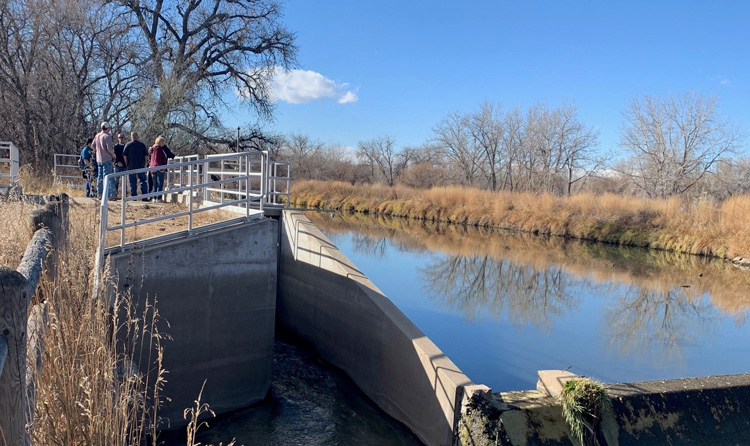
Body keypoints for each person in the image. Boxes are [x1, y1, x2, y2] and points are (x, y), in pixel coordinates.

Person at [92, 121, 117, 200]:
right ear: (108, 128)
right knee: (109, 177)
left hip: (99, 159)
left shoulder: (97, 136)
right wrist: (113, 155)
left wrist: (97, 151)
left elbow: (93, 145)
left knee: (100, 177)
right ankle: (111, 195)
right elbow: (109, 148)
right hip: (107, 159)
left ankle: (99, 194)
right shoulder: (107, 136)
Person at [123, 131, 149, 199]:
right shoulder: (142, 145)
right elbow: (146, 156)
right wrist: (145, 163)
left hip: (131, 166)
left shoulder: (128, 145)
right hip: (141, 166)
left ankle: (134, 196)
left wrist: (127, 163)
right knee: (143, 181)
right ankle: (144, 196)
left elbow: (124, 155)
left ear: (131, 137)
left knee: (133, 181)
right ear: (138, 137)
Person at [148, 135, 172, 202]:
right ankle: (158, 198)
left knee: (155, 184)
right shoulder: (158, 148)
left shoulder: (152, 148)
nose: (163, 143)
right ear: (160, 142)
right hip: (159, 167)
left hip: (152, 168)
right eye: (163, 142)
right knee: (160, 183)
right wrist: (161, 167)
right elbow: (157, 159)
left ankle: (154, 197)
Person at [113, 132, 127, 196]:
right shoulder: (116, 146)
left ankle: (124, 194)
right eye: (119, 137)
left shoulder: (126, 146)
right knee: (116, 180)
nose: (120, 139)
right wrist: (117, 162)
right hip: (117, 165)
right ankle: (115, 194)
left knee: (125, 181)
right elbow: (113, 155)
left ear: (124, 138)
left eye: (122, 137)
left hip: (125, 165)